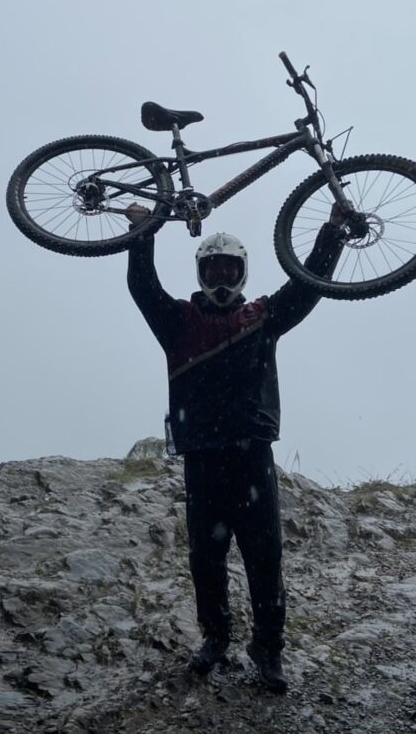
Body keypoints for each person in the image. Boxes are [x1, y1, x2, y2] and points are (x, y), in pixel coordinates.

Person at [125, 202, 346, 693]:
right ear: (201, 272)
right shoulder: (177, 321)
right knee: (206, 557)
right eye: (212, 268)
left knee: (264, 556)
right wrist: (142, 235)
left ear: (242, 272)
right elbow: (143, 288)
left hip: (252, 456)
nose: (221, 275)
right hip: (202, 457)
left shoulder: (262, 316)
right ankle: (216, 636)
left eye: (230, 268)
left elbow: (307, 286)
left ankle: (268, 649)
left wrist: (332, 233)